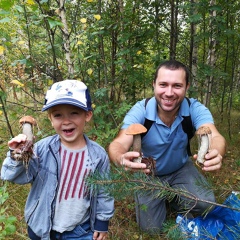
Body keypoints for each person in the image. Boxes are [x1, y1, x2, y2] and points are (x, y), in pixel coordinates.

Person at [108, 60, 226, 234]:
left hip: (180, 168)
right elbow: (117, 143)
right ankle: (167, 197)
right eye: (163, 84)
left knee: (206, 204)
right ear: (154, 85)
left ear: (187, 87)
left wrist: (217, 152)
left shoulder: (194, 108)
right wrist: (120, 158)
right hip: (149, 174)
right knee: (151, 229)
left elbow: (215, 136)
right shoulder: (141, 110)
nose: (169, 93)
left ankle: (175, 196)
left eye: (177, 86)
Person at [1, 80, 114, 240]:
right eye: (58, 115)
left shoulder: (98, 155)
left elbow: (104, 191)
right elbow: (16, 176)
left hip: (80, 230)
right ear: (50, 118)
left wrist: (102, 222)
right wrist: (17, 156)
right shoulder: (42, 149)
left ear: (87, 115)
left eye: (74, 113)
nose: (66, 121)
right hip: (43, 228)